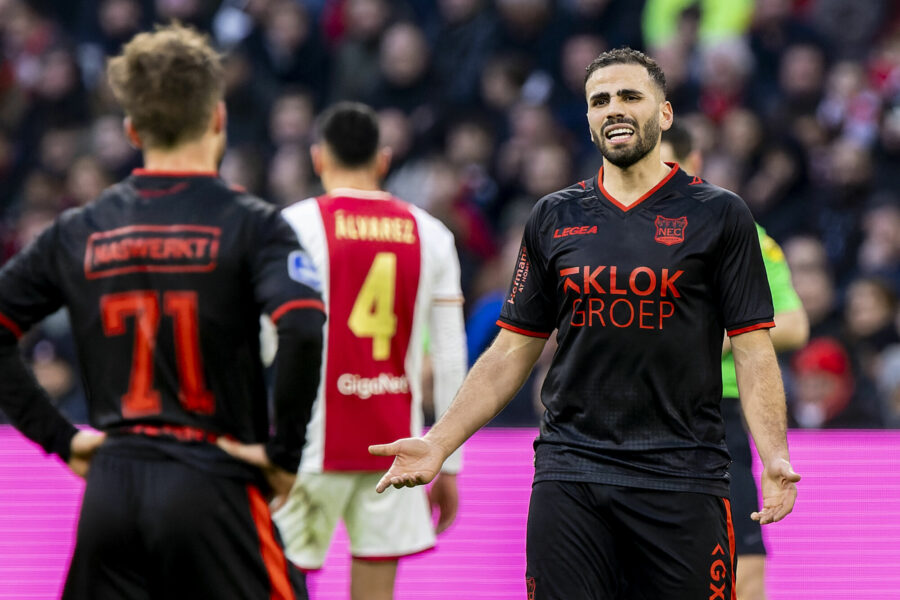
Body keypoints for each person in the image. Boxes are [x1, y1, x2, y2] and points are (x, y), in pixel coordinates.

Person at [370, 47, 801, 599]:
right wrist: (439, 443)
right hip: (571, 472)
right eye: (600, 100)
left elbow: (752, 347)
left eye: (629, 96)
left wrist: (774, 455)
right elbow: (511, 351)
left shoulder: (720, 215)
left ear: (664, 114)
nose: (613, 109)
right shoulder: (554, 216)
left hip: (684, 475)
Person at [0, 24, 324, 600]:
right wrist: (283, 455)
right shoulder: (253, 225)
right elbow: (300, 324)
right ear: (218, 118)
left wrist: (59, 437)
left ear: (132, 129)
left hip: (112, 488)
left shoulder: (81, 229)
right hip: (213, 480)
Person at [274, 102, 467, 600]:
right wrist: (446, 460)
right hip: (395, 449)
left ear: (318, 158)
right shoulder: (432, 234)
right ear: (383, 160)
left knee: (281, 583)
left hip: (307, 447)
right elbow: (449, 356)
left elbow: (265, 340)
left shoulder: (291, 227)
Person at [661, 121, 809, 600]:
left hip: (716, 416)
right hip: (634, 415)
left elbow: (794, 323)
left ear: (694, 162)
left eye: (668, 166)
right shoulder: (611, 233)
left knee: (743, 572)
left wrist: (726, 334)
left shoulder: (736, 227)